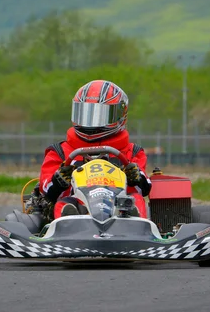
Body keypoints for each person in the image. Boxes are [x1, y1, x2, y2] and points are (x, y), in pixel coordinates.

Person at [39, 79, 152, 219]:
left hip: (119, 207)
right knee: (63, 204)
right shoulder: (60, 152)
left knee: (135, 199)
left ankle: (135, 226)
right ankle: (68, 224)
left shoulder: (131, 152)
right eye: (86, 113)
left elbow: (145, 188)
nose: (90, 122)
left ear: (120, 115)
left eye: (99, 115)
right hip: (80, 208)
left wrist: (136, 177)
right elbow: (45, 189)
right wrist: (58, 181)